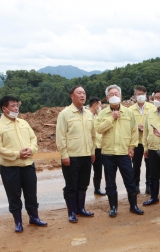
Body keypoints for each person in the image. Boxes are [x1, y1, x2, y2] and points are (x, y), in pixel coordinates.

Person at [0, 95, 47, 233]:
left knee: (31, 194)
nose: (16, 108)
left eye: (17, 105)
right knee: (14, 196)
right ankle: (18, 222)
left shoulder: (23, 123)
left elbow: (33, 139)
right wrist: (17, 154)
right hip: (10, 168)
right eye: (13, 106)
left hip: (28, 165)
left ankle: (34, 218)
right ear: (4, 109)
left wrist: (31, 149)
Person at [94, 84, 144, 217]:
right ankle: (113, 208)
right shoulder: (102, 113)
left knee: (129, 180)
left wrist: (132, 147)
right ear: (107, 97)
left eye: (116, 94)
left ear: (121, 96)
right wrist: (112, 118)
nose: (114, 96)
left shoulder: (128, 113)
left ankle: (133, 205)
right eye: (111, 94)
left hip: (124, 153)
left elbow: (134, 131)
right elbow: (98, 129)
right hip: (108, 153)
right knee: (110, 182)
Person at [56, 86, 96, 223]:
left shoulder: (88, 114)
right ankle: (71, 212)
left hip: (86, 155)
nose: (82, 95)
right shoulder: (65, 114)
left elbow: (93, 135)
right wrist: (64, 155)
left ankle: (81, 209)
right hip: (72, 156)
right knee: (71, 185)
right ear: (71, 96)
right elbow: (60, 136)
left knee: (83, 184)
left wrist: (92, 151)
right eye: (79, 93)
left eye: (84, 93)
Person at [130, 86, 155, 194]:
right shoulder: (130, 110)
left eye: (142, 94)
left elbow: (155, 123)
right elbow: (128, 126)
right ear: (134, 96)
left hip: (148, 142)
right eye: (138, 94)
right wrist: (137, 128)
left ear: (146, 95)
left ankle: (149, 185)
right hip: (136, 142)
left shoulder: (152, 108)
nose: (140, 96)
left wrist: (146, 128)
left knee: (149, 165)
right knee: (136, 165)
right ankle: (135, 185)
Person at [87, 97, 106, 196]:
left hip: (99, 148)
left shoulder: (99, 116)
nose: (100, 107)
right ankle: (82, 190)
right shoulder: (86, 116)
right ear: (95, 105)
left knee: (98, 170)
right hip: (89, 148)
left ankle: (97, 188)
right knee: (86, 171)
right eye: (100, 105)